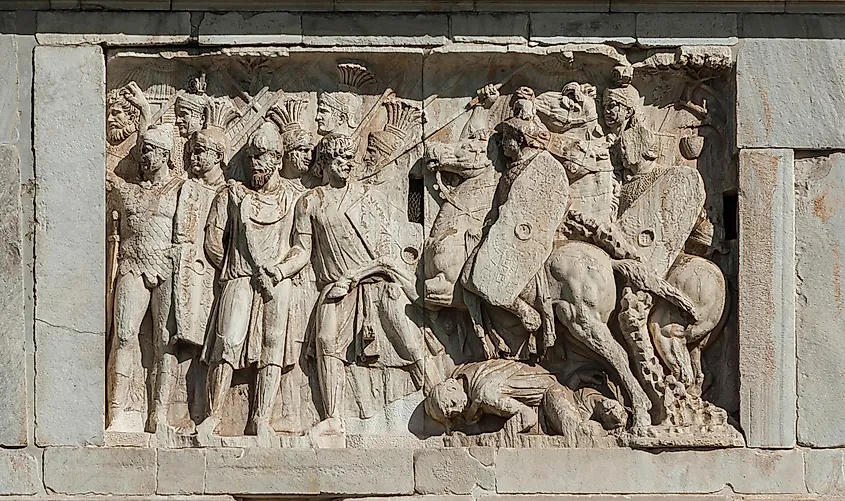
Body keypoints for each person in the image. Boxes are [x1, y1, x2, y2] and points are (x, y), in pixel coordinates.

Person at [272, 133, 428, 437]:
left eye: (349, 158)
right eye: (340, 158)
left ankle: (432, 389)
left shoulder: (367, 197)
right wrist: (279, 271)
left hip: (377, 281)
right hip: (335, 287)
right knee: (326, 341)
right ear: (325, 162)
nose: (348, 163)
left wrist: (357, 275)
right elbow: (303, 251)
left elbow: (385, 250)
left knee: (409, 340)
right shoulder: (310, 202)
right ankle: (332, 417)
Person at [197, 122, 304, 440]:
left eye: (262, 156)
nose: (255, 162)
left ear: (277, 157)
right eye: (251, 156)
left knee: (273, 348)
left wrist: (280, 270)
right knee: (227, 343)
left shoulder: (294, 198)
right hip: (239, 278)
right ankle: (212, 417)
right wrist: (231, 265)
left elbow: (302, 247)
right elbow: (213, 241)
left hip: (277, 282)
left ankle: (261, 419)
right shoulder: (231, 194)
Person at [106, 126, 182, 434]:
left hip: (166, 267)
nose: (143, 156)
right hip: (131, 264)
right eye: (142, 149)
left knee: (166, 341)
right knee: (123, 335)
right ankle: (117, 412)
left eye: (150, 150)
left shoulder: (180, 188)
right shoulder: (126, 189)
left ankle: (159, 415)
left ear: (165, 155)